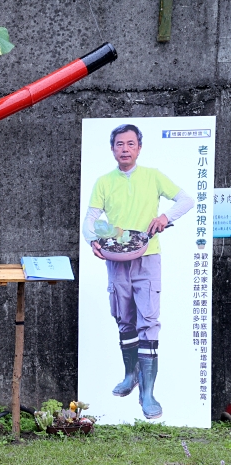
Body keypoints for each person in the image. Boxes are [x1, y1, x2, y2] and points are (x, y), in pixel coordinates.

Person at [81, 124, 193, 419]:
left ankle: (147, 392)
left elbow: (186, 200)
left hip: (148, 257)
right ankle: (130, 375)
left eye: (131, 144)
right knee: (123, 318)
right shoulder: (104, 182)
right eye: (120, 144)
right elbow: (90, 219)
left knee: (149, 321)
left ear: (139, 148)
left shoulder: (153, 176)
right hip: (115, 260)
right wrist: (93, 240)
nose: (125, 149)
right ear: (112, 149)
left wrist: (165, 217)